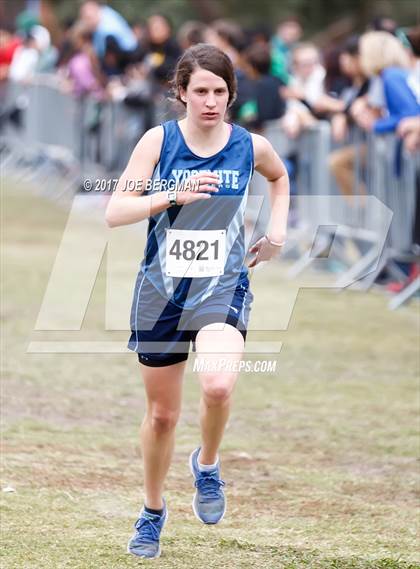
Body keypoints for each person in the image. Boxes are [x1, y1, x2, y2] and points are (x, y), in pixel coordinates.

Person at [105, 43, 289, 559]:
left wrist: (276, 232)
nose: (210, 101)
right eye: (200, 91)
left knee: (218, 383)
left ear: (231, 95)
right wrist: (172, 193)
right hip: (161, 291)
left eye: (220, 92)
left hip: (221, 285)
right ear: (180, 93)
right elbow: (116, 210)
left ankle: (207, 465)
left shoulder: (248, 146)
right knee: (162, 415)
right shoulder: (157, 141)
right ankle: (152, 510)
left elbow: (279, 177)